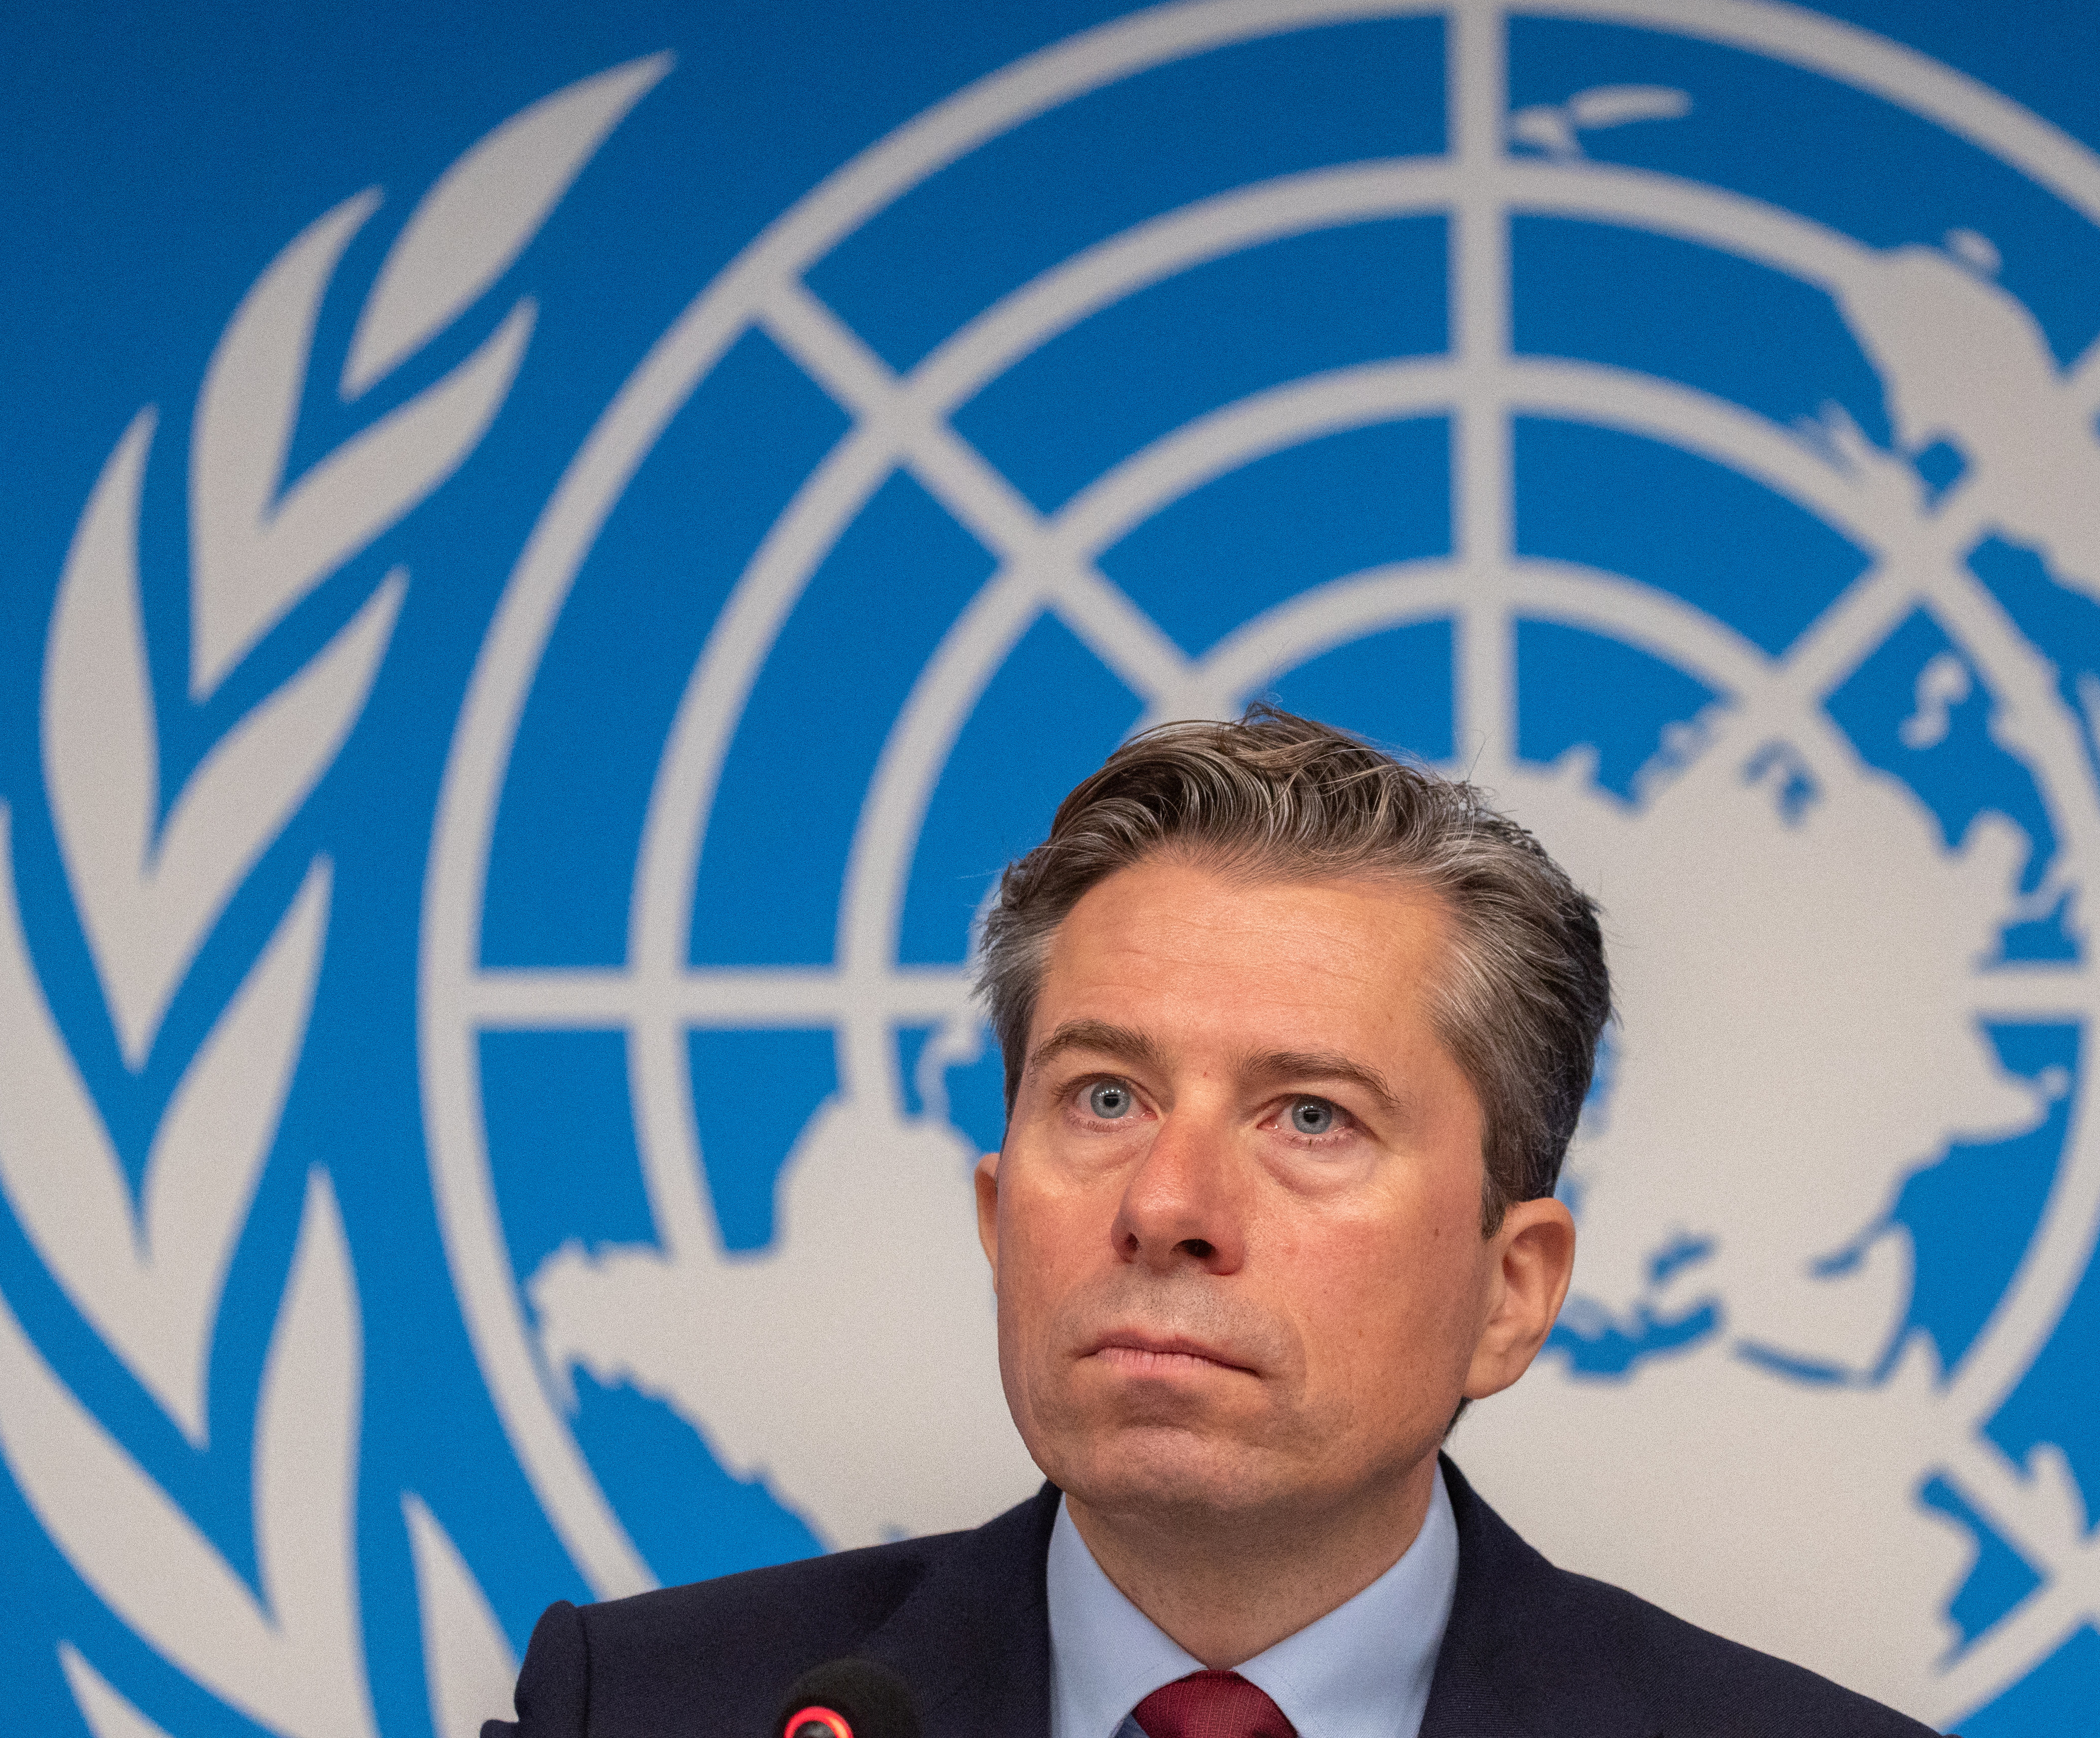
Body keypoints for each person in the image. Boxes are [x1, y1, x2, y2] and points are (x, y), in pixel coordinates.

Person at [487, 706, 1939, 1738]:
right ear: (999, 1222)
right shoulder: (646, 1711)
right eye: (1105, 1099)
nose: (1166, 1209)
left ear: (1512, 1290)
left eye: (1311, 1116)